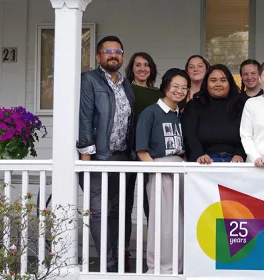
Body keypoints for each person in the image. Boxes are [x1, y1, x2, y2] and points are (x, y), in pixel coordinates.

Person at [77, 35, 135, 272]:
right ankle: (107, 266)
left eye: (118, 51)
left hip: (121, 157)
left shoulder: (125, 83)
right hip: (98, 157)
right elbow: (84, 117)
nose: (114, 54)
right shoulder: (89, 80)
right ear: (98, 56)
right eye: (108, 51)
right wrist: (86, 159)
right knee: (99, 213)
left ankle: (117, 261)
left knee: (116, 212)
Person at [136, 68, 188, 274]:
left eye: (184, 88)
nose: (179, 91)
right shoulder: (150, 113)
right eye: (175, 86)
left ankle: (179, 265)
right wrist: (155, 171)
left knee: (179, 220)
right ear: (165, 87)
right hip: (159, 170)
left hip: (179, 170)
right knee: (162, 222)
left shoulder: (178, 115)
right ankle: (160, 267)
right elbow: (141, 149)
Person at [124, 51, 162, 269]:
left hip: (150, 154)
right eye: (138, 65)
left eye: (146, 65)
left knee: (151, 204)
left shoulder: (158, 95)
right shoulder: (125, 90)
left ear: (152, 68)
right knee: (125, 204)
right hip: (127, 152)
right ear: (132, 68)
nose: (142, 69)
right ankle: (124, 252)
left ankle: (154, 254)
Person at [182, 64, 246, 163]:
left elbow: (249, 134)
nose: (218, 84)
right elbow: (189, 135)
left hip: (236, 161)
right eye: (213, 80)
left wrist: (240, 154)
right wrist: (199, 155)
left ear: (230, 83)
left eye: (223, 80)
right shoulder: (194, 105)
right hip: (204, 161)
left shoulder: (241, 105)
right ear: (206, 83)